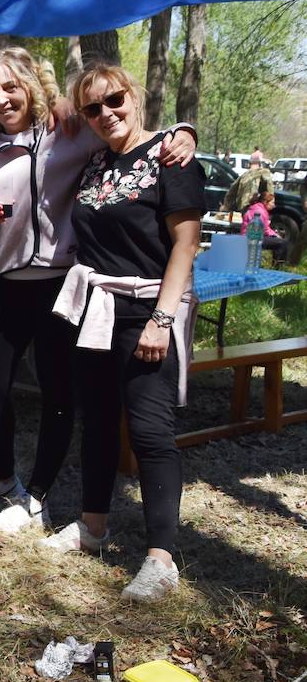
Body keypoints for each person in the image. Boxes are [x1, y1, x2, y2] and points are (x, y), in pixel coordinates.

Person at [0, 47, 197, 530]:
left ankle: (37, 496)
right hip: (7, 281)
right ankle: (4, 479)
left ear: (30, 88)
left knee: (59, 393)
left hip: (63, 284)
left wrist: (184, 131)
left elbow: (131, 135)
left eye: (11, 87)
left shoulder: (68, 130)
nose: (2, 99)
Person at [43, 63, 204, 603]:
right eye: (93, 107)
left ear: (134, 96)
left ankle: (161, 559)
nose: (106, 113)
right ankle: (92, 528)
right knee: (97, 422)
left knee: (151, 430)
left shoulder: (170, 157)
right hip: (97, 308)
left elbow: (185, 244)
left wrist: (162, 319)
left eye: (115, 100)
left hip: (148, 309)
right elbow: (49, 107)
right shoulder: (96, 160)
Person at [241, 181, 289, 264]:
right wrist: (276, 235)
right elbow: (265, 230)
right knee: (282, 243)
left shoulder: (257, 208)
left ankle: (276, 263)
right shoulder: (260, 211)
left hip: (250, 236)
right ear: (265, 202)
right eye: (272, 203)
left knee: (278, 240)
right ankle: (278, 266)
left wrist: (274, 234)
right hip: (252, 238)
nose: (274, 205)